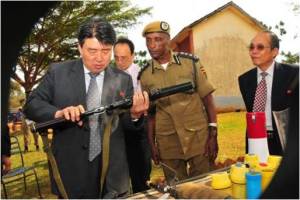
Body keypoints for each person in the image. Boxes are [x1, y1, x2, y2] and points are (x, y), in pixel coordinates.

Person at [24, 16, 149, 199]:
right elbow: (32, 104)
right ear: (79, 47)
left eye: (106, 51)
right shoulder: (58, 73)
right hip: (72, 171)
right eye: (92, 51)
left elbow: (126, 127)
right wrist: (58, 113)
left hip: (113, 175)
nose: (99, 58)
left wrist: (136, 115)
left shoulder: (122, 80)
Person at [138, 21, 218, 183]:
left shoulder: (190, 64)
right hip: (168, 143)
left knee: (204, 187)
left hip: (198, 138)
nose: (152, 45)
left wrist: (213, 135)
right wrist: (152, 145)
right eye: (148, 41)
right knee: (177, 189)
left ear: (168, 40)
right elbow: (151, 113)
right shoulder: (145, 75)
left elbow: (207, 99)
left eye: (158, 39)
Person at [238, 31, 299, 156]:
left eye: (260, 47)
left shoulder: (294, 74)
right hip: (255, 140)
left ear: (274, 52)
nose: (253, 51)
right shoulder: (244, 80)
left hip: (285, 141)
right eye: (251, 47)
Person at [113, 37, 151, 193]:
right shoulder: (110, 76)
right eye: (116, 58)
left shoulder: (142, 75)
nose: (120, 62)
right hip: (117, 131)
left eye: (124, 58)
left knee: (140, 177)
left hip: (138, 130)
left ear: (133, 56)